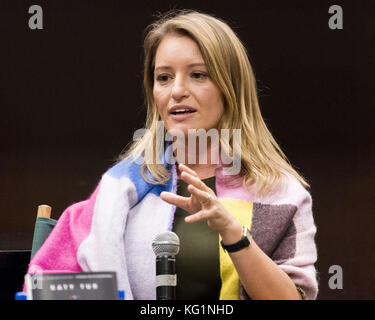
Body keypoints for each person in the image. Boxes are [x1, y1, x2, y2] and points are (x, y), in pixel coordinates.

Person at [26, 10, 318, 300]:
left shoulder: (282, 194)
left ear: (231, 88)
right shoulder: (119, 189)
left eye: (198, 75)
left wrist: (232, 232)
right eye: (164, 77)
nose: (177, 90)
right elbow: (45, 286)